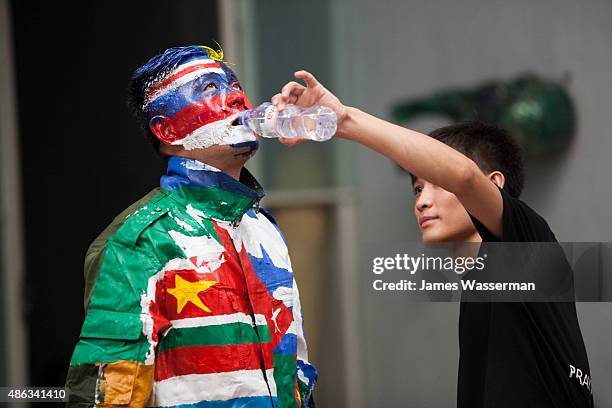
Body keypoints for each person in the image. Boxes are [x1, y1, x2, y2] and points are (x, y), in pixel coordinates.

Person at [272, 71, 593, 407]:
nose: (422, 201)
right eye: (418, 189)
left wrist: (345, 119)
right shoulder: (482, 287)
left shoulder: (530, 249)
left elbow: (465, 175)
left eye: (438, 184)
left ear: (495, 183)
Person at [65, 46, 317, 408]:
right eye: (209, 89)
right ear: (166, 129)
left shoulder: (263, 228)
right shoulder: (139, 240)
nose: (235, 98)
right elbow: (110, 392)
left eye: (234, 85)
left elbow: (296, 370)